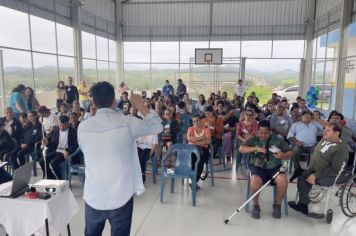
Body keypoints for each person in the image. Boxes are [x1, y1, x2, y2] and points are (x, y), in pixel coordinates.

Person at [77, 81, 162, 236]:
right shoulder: (127, 122)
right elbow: (157, 126)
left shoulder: (82, 127)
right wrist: (140, 105)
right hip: (121, 195)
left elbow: (86, 151)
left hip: (94, 194)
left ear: (93, 102)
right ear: (114, 101)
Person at [288, 122, 349, 216]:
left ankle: (318, 211)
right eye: (325, 130)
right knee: (302, 177)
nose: (325, 132)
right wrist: (310, 171)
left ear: (337, 133)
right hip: (314, 171)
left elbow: (335, 170)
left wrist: (315, 175)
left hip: (331, 175)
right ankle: (303, 205)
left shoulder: (341, 149)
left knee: (311, 178)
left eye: (328, 131)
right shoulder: (324, 140)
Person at [239, 120, 293, 219]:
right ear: (257, 131)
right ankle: (256, 206)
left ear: (270, 132)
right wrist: (255, 149)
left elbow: (291, 152)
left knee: (283, 180)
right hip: (258, 167)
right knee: (254, 181)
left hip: (275, 167)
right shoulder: (253, 139)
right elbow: (241, 149)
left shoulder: (278, 140)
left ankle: (277, 205)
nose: (263, 135)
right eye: (261, 133)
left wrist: (283, 155)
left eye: (266, 133)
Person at [287, 111, 324, 182]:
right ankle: (298, 169)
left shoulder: (315, 124)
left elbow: (325, 128)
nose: (306, 117)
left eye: (308, 116)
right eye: (305, 116)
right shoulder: (296, 125)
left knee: (316, 153)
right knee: (294, 151)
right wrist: (296, 142)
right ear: (301, 117)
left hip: (312, 145)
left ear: (311, 117)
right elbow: (290, 136)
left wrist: (318, 119)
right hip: (300, 145)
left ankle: (309, 171)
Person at [40, 115, 78, 180]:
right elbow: (53, 145)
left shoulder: (73, 132)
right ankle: (51, 177)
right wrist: (47, 143)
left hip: (65, 153)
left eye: (64, 125)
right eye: (60, 125)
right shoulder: (56, 132)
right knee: (42, 161)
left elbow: (75, 145)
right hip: (57, 151)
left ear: (68, 124)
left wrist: (68, 150)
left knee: (53, 163)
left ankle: (61, 180)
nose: (62, 127)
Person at [187, 114, 211, 190]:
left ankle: (194, 181)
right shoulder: (191, 129)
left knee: (200, 160)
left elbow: (208, 141)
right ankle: (193, 180)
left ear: (201, 121)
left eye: (197, 120)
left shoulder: (206, 129)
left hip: (203, 150)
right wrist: (201, 138)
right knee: (191, 159)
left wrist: (195, 141)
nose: (196, 123)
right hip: (193, 149)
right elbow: (189, 139)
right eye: (194, 121)